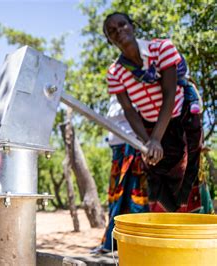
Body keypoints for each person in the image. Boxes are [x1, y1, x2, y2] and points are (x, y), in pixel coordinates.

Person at [103, 12, 213, 213]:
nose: (119, 31)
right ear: (109, 40)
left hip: (180, 120)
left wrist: (156, 139)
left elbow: (170, 93)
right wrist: (147, 144)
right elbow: (129, 111)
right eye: (112, 31)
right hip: (149, 127)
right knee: (158, 185)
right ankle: (164, 237)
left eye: (122, 25)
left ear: (132, 25)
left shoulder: (161, 48)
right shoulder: (115, 73)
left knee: (187, 179)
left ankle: (194, 235)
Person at [93, 96, 149, 254]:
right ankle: (112, 243)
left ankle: (137, 245)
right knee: (115, 198)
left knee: (135, 198)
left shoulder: (138, 81)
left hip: (133, 147)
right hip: (118, 149)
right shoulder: (116, 88)